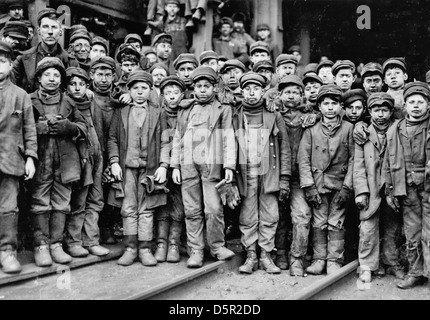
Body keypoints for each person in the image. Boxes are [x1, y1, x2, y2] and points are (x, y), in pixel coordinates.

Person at [171, 66, 236, 268]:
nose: (202, 90)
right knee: (192, 210)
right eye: (198, 86)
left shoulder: (223, 109)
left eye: (206, 86)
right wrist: (174, 165)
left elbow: (229, 138)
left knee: (214, 208)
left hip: (211, 166)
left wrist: (229, 166)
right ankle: (196, 250)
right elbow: (177, 138)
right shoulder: (186, 109)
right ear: (193, 88)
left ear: (214, 88)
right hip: (188, 164)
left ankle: (217, 246)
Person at [29, 57, 87, 267]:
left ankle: (56, 245)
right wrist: (38, 128)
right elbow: (20, 128)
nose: (52, 79)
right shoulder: (29, 100)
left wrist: (69, 127)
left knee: (62, 202)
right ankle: (41, 246)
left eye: (56, 75)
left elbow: (84, 127)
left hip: (65, 161)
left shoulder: (69, 101)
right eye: (47, 75)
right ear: (39, 78)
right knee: (40, 201)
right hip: (41, 160)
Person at [107, 70, 170, 267]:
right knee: (128, 207)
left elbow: (165, 141)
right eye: (135, 88)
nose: (140, 92)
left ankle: (144, 248)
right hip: (127, 169)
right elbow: (112, 139)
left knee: (147, 208)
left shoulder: (158, 113)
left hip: (149, 169)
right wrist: (115, 161)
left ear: (151, 90)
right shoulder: (121, 112)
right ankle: (130, 248)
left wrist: (163, 165)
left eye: (144, 88)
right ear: (129, 90)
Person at [232, 72, 290, 275]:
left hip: (269, 174)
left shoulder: (274, 115)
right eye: (247, 89)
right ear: (241, 91)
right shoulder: (235, 114)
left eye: (256, 89)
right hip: (245, 173)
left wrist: (284, 179)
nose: (251, 93)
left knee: (270, 214)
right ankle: (251, 255)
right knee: (247, 215)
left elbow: (284, 149)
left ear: (263, 91)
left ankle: (266, 254)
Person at [298, 84, 354, 275]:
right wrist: (309, 186)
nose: (330, 108)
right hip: (318, 184)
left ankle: (334, 259)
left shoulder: (349, 128)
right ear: (319, 107)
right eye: (326, 104)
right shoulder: (311, 129)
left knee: (336, 222)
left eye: (334, 104)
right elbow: (303, 159)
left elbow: (355, 159)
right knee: (319, 221)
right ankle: (319, 258)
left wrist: (347, 186)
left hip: (339, 184)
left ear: (341, 107)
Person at [354, 92, 405, 284]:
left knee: (393, 226)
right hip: (371, 187)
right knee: (368, 227)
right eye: (376, 110)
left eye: (385, 110)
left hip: (392, 186)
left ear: (392, 111)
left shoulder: (399, 129)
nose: (381, 115)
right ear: (369, 112)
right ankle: (367, 265)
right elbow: (358, 166)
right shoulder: (363, 133)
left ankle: (391, 262)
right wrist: (361, 192)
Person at [383, 81, 430, 289]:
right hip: (408, 188)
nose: (416, 105)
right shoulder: (396, 129)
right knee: (413, 232)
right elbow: (388, 162)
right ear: (405, 106)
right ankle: (416, 272)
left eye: (421, 102)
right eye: (412, 102)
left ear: (428, 105)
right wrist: (390, 188)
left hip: (429, 187)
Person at [64, 67, 110, 257]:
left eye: (81, 84)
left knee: (96, 200)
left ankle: (91, 240)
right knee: (79, 202)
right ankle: (74, 241)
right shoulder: (66, 106)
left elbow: (102, 135)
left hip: (97, 158)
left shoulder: (93, 105)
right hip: (80, 161)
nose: (77, 88)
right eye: (73, 84)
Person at [0, 41, 37, 273]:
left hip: (11, 161)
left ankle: (7, 251)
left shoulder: (21, 95)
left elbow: (29, 129)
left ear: (10, 64)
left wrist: (31, 157)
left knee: (9, 208)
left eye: (2, 61)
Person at [154, 75, 186, 263]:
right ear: (162, 95)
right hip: (160, 164)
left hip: (181, 166)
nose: (172, 97)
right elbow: (161, 141)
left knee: (179, 205)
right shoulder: (159, 114)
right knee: (161, 204)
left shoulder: (186, 113)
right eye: (168, 93)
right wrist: (163, 165)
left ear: (182, 94)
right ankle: (161, 243)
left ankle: (174, 243)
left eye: (176, 93)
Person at [88, 56, 120, 244]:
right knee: (94, 190)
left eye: (108, 75)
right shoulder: (86, 98)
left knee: (111, 191)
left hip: (113, 152)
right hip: (93, 152)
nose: (104, 79)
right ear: (92, 75)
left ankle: (107, 227)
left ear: (114, 77)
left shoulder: (118, 100)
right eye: (100, 74)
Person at [12, 8, 79, 93]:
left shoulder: (71, 62)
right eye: (45, 27)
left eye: (54, 27)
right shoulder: (23, 59)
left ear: (61, 31)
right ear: (39, 30)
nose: (50, 32)